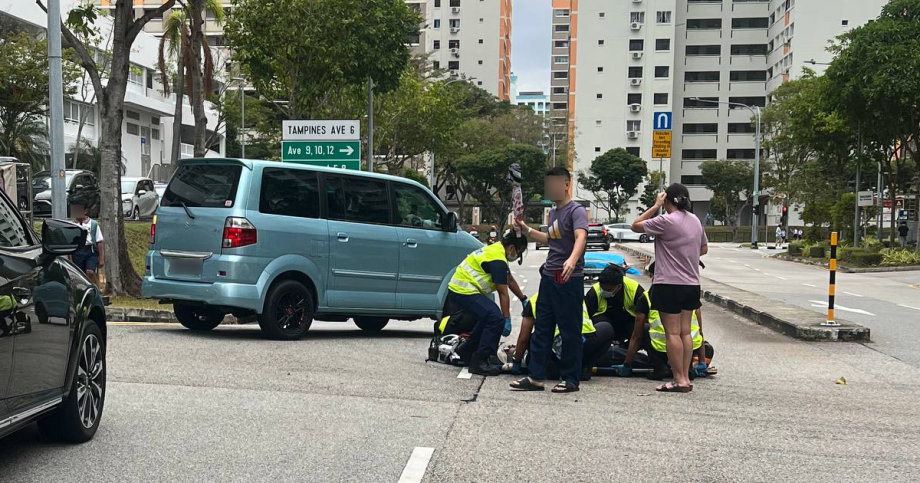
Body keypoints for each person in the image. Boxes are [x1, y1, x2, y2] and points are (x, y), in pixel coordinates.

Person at [511, 167, 588, 393]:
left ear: (566, 184)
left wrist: (572, 260)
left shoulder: (576, 211)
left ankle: (571, 379)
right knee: (543, 328)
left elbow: (581, 237)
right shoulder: (553, 212)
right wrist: (526, 230)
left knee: (569, 330)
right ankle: (536, 377)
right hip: (549, 277)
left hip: (568, 278)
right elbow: (550, 238)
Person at [631, 184, 708, 393]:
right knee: (685, 333)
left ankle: (679, 379)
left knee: (671, 333)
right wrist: (686, 256)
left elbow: (635, 225)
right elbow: (704, 248)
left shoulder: (666, 220)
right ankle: (686, 377)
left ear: (667, 199)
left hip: (668, 283)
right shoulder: (695, 220)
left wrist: (655, 205)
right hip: (692, 283)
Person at [446, 230, 529, 376]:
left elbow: (509, 279)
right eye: (518, 252)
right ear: (511, 248)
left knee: (487, 317)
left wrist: (523, 298)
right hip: (463, 290)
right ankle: (480, 361)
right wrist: (506, 319)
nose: (517, 256)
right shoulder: (497, 260)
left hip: (461, 289)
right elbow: (503, 292)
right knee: (495, 318)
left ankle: (466, 350)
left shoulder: (496, 250)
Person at [506, 292, 614, 381]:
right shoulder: (576, 294)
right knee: (606, 327)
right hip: (581, 343)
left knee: (534, 338)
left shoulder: (535, 300)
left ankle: (551, 369)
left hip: (555, 350)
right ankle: (584, 367)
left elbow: (524, 338)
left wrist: (517, 361)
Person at [586, 265, 658, 376]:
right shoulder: (594, 293)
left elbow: (647, 319)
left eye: (608, 290)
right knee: (603, 325)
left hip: (628, 325)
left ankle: (657, 363)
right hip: (605, 327)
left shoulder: (635, 291)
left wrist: (628, 363)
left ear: (618, 287)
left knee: (645, 329)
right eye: (602, 288)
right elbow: (586, 322)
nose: (604, 291)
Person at [69, 198, 105, 280]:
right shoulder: (71, 225)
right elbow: (70, 244)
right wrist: (71, 260)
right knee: (79, 274)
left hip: (90, 251)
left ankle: (92, 284)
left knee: (90, 272)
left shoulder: (93, 224)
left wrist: (101, 258)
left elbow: (99, 241)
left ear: (85, 211)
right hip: (77, 252)